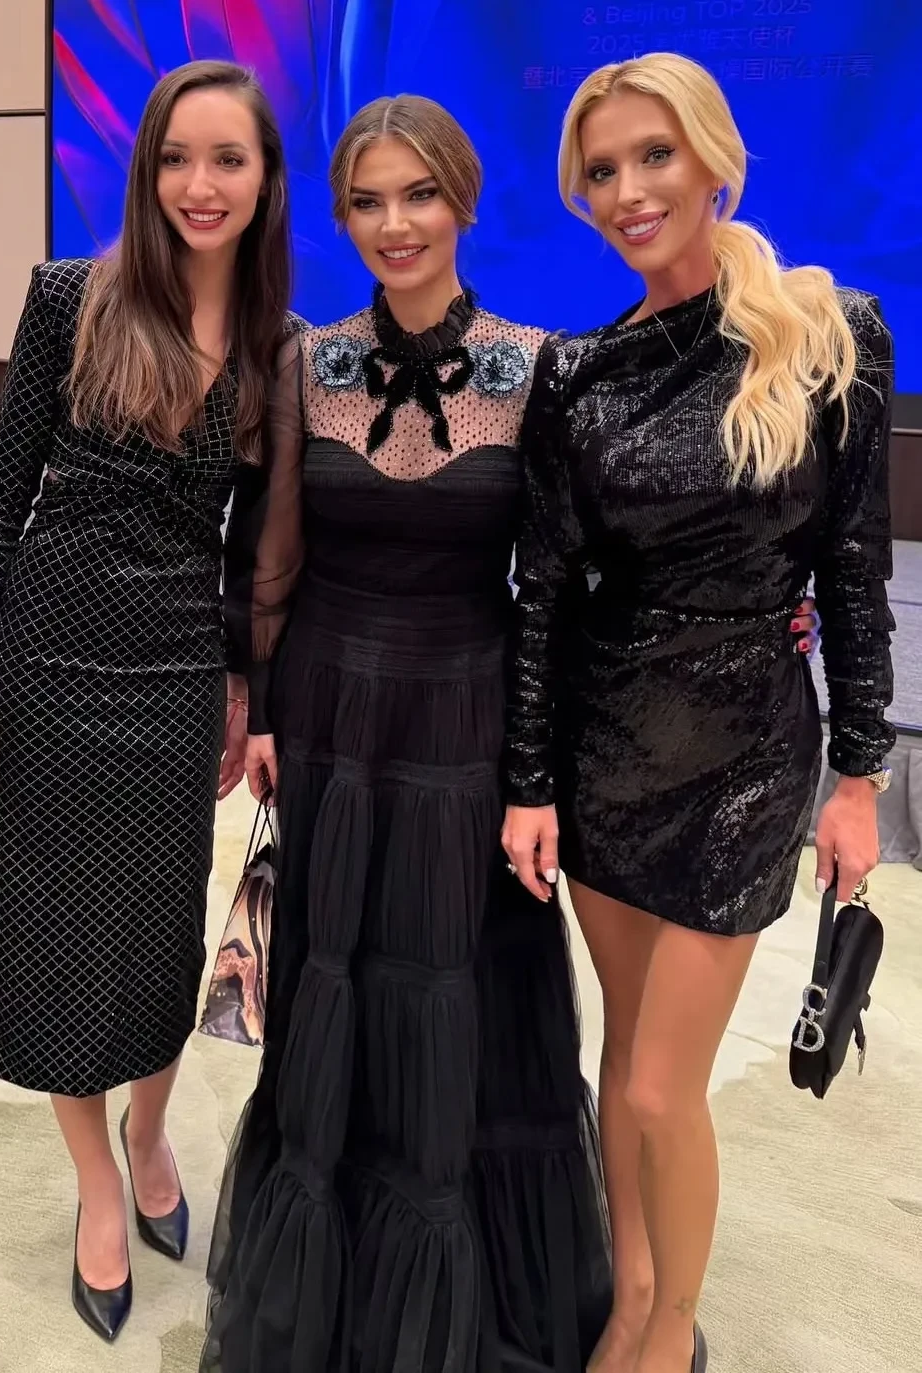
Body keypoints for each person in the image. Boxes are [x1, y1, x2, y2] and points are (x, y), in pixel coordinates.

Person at [202, 94, 613, 1373]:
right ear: (340, 217)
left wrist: (535, 767)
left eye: (418, 194)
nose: (395, 223)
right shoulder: (305, 361)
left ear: (463, 199)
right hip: (331, 716)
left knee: (452, 998)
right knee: (333, 987)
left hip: (463, 719)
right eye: (367, 201)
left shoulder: (536, 365)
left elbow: (550, 587)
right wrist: (265, 705)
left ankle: (445, 1304)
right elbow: (271, 552)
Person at [501, 53, 895, 1373]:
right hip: (604, 746)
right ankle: (630, 1299)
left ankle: (667, 1333)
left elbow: (851, 574)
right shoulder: (578, 375)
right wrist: (528, 778)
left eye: (652, 156)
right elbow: (543, 594)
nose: (627, 190)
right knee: (623, 1062)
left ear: (714, 157)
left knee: (664, 1084)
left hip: (745, 757)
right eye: (600, 171)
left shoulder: (829, 333)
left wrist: (856, 778)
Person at [0, 61, 301, 1342]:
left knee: (156, 934)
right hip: (47, 661)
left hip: (174, 673)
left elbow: (252, 550)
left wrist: (244, 685)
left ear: (264, 180)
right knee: (52, 938)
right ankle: (97, 1181)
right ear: (147, 170)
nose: (199, 185)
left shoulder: (276, 344)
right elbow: (2, 493)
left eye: (228, 159)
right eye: (175, 158)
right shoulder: (71, 298)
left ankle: (151, 1131)